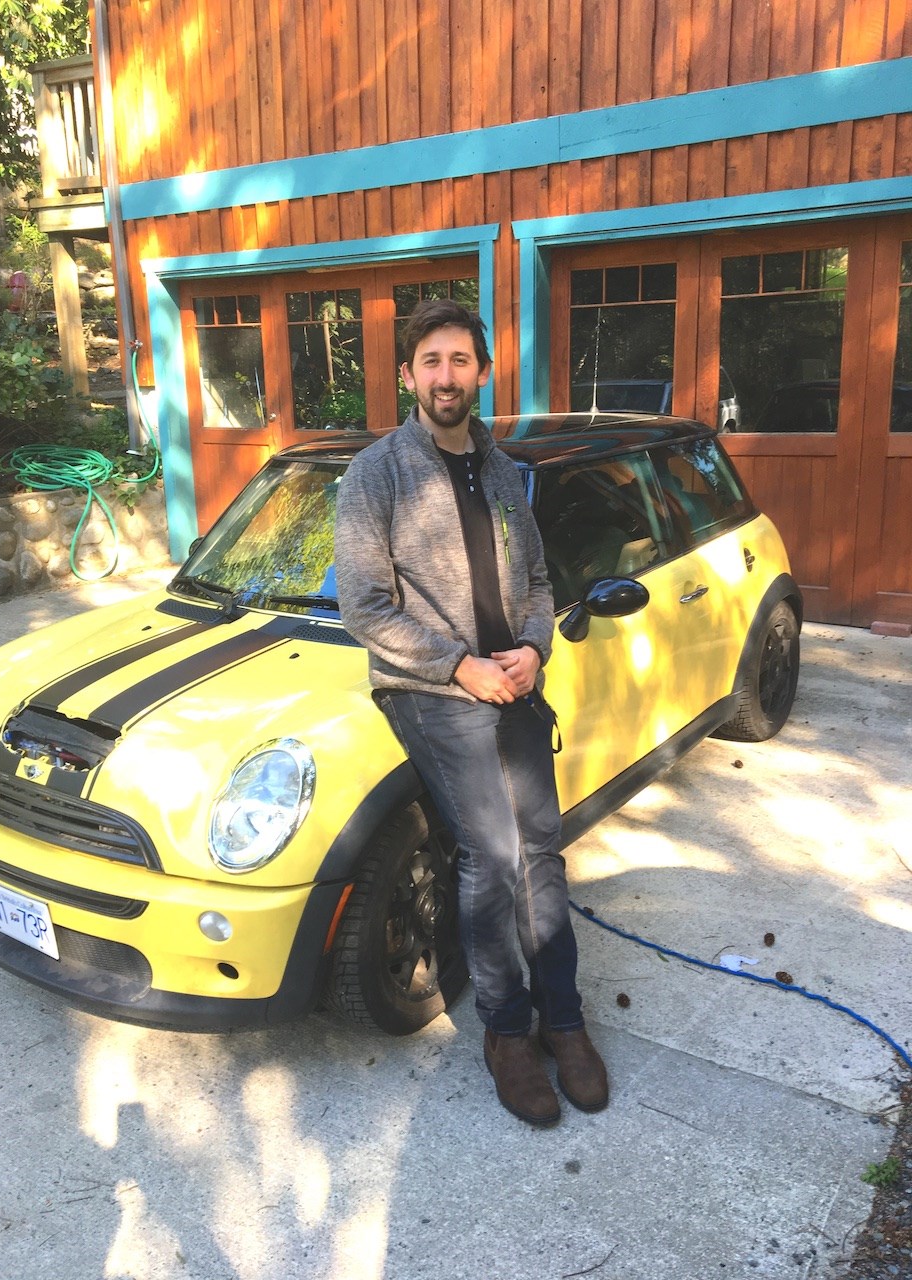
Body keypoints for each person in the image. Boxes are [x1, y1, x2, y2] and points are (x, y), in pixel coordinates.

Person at [334, 299, 608, 1127]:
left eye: (460, 360)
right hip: (431, 691)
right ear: (409, 375)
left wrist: (533, 648)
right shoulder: (375, 474)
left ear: (480, 372)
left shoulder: (500, 468)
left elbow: (535, 583)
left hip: (513, 681)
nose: (446, 376)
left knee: (542, 849)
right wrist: (461, 665)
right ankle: (507, 1032)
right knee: (492, 856)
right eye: (431, 362)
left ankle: (564, 1017)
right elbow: (364, 606)